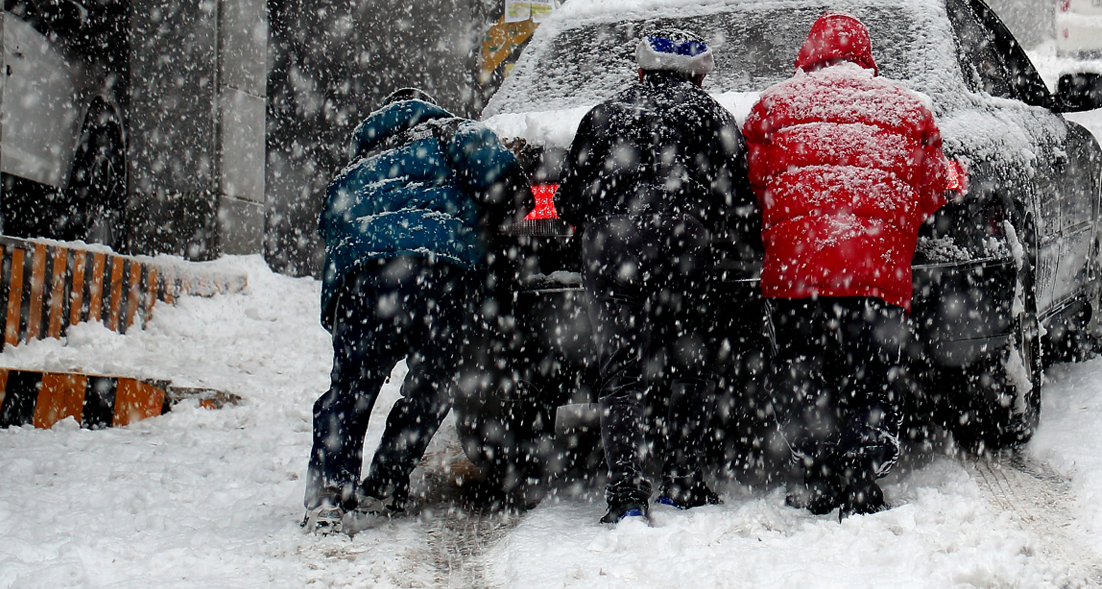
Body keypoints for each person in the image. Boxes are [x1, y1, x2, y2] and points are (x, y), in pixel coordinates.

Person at [742, 13, 949, 518]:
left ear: (808, 55)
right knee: (869, 375)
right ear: (865, 54)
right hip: (876, 275)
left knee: (806, 374)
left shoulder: (773, 107)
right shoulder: (909, 109)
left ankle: (816, 476)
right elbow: (934, 189)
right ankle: (861, 477)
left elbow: (754, 181)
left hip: (797, 279)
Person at [556, 29, 763, 525]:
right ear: (697, 75)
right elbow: (739, 200)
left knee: (618, 372)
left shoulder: (602, 116)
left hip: (611, 256)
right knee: (689, 366)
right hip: (684, 256)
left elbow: (567, 200)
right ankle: (682, 479)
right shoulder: (711, 116)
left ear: (643, 70)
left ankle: (625, 494)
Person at [308, 87, 529, 532]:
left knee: (350, 388)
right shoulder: (452, 133)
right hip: (440, 272)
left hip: (366, 279)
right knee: (433, 385)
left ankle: (330, 498)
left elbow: (333, 232)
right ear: (425, 107)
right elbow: (502, 178)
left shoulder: (357, 166)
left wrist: (339, 314)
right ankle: (386, 484)